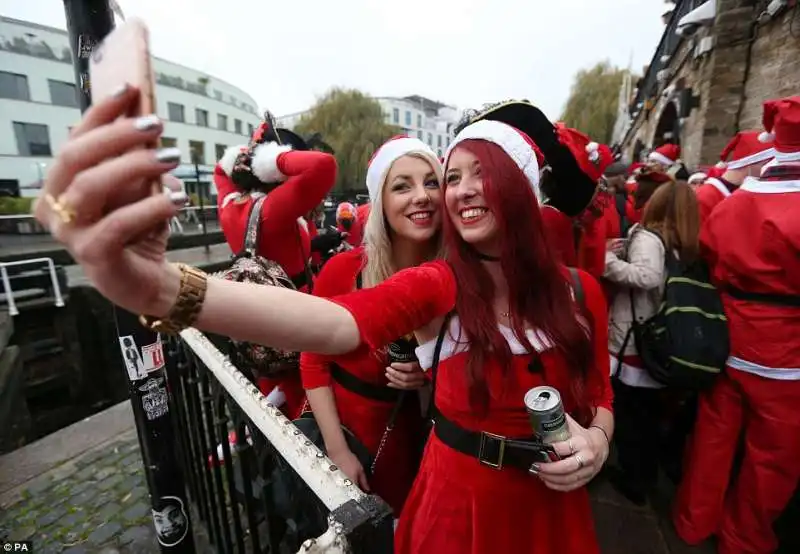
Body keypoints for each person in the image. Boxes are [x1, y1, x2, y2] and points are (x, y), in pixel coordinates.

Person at [33, 92, 613, 554]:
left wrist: (598, 440)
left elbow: (599, 394)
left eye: (473, 174)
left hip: (551, 510)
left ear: (520, 186)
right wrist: (169, 289)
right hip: (458, 506)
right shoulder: (442, 283)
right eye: (452, 175)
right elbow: (335, 324)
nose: (456, 192)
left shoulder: (579, 291)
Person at [673, 96, 800, 554]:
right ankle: (743, 540)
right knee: (774, 457)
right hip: (786, 355)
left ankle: (692, 520)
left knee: (713, 437)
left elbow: (708, 252)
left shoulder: (737, 202)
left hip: (727, 339)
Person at [301, 137, 443, 515]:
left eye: (432, 182)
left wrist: (427, 377)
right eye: (402, 185)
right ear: (381, 202)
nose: (422, 196)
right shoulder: (343, 271)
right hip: (352, 439)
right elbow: (313, 361)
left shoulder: (457, 278)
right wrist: (337, 451)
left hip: (424, 446)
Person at [214, 114, 336, 418]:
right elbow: (323, 166)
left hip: (256, 311)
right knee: (301, 397)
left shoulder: (230, 206)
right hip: (294, 313)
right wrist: (274, 160)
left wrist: (248, 157)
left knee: (268, 378)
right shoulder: (274, 210)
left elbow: (219, 169)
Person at [603, 177, 699, 505]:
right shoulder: (680, 243)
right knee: (645, 415)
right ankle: (642, 474)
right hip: (658, 337)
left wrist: (607, 261)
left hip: (633, 336)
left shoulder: (648, 236)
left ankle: (634, 479)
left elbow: (646, 276)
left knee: (630, 414)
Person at [694, 130, 775, 222]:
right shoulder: (704, 197)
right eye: (768, 163)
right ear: (750, 163)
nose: (770, 169)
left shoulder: (745, 193)